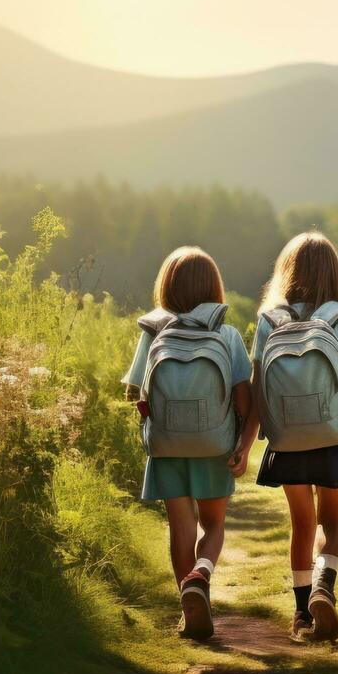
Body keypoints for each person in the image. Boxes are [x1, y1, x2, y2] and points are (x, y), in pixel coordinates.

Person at [234, 232, 338, 641]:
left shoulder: (268, 320)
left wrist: (245, 445)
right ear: (333, 274)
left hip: (287, 443)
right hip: (334, 437)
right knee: (330, 522)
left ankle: (301, 615)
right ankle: (323, 587)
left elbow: (258, 388)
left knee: (301, 524)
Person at [124, 247, 251, 641]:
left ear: (167, 287)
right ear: (214, 289)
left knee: (181, 529)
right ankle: (202, 575)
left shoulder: (153, 331)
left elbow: (134, 392)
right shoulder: (226, 334)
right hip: (214, 445)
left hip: (166, 447)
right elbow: (244, 398)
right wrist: (242, 444)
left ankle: (188, 604)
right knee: (213, 526)